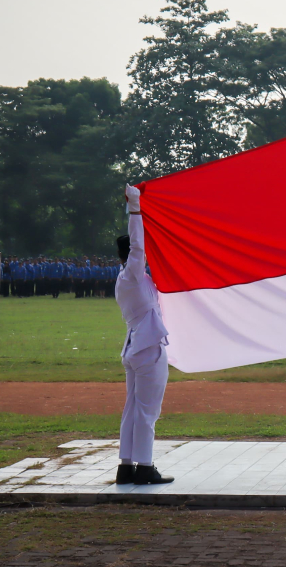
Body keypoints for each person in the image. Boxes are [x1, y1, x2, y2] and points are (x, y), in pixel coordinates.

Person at [116, 185, 173, 486]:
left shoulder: (126, 280)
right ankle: (145, 467)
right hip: (148, 348)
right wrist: (135, 209)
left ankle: (126, 466)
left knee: (132, 410)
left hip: (135, 348)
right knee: (148, 412)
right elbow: (137, 247)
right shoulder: (133, 274)